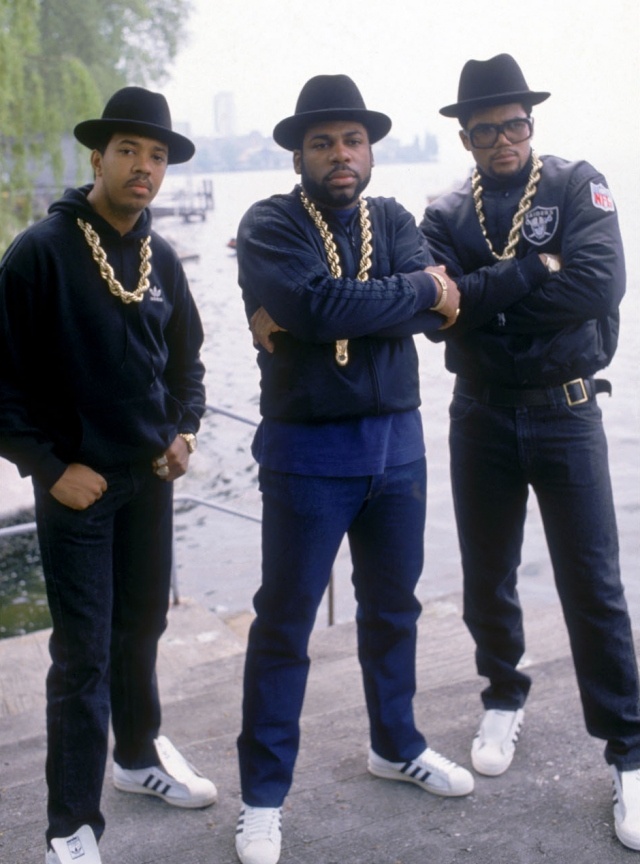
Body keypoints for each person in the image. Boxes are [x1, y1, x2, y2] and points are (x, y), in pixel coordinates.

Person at [233, 73, 470, 864]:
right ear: (300, 153)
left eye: (354, 139)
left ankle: (395, 745)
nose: (341, 153)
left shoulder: (396, 218)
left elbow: (439, 316)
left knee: (394, 609)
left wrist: (396, 297)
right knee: (285, 625)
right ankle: (264, 798)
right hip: (308, 454)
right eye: (324, 141)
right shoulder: (269, 224)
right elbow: (317, 308)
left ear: (371, 149)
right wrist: (413, 292)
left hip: (397, 446)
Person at [420, 53, 640, 851]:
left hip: (567, 412)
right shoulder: (445, 211)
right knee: (488, 572)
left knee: (594, 584)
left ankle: (630, 754)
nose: (502, 139)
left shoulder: (578, 185)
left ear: (530, 124)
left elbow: (598, 285)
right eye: (485, 130)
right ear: (467, 137)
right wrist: (529, 275)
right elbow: (436, 310)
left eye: (513, 125)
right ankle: (504, 696)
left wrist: (490, 301)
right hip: (479, 415)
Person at [0, 87, 216, 864]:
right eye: (130, 150)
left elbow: (188, 360)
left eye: (157, 155)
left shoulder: (162, 257)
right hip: (77, 491)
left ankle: (138, 758)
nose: (145, 167)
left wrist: (184, 430)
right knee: (83, 653)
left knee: (142, 630)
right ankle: (70, 827)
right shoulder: (39, 254)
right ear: (98, 157)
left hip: (148, 480)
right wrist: (51, 469)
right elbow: (2, 386)